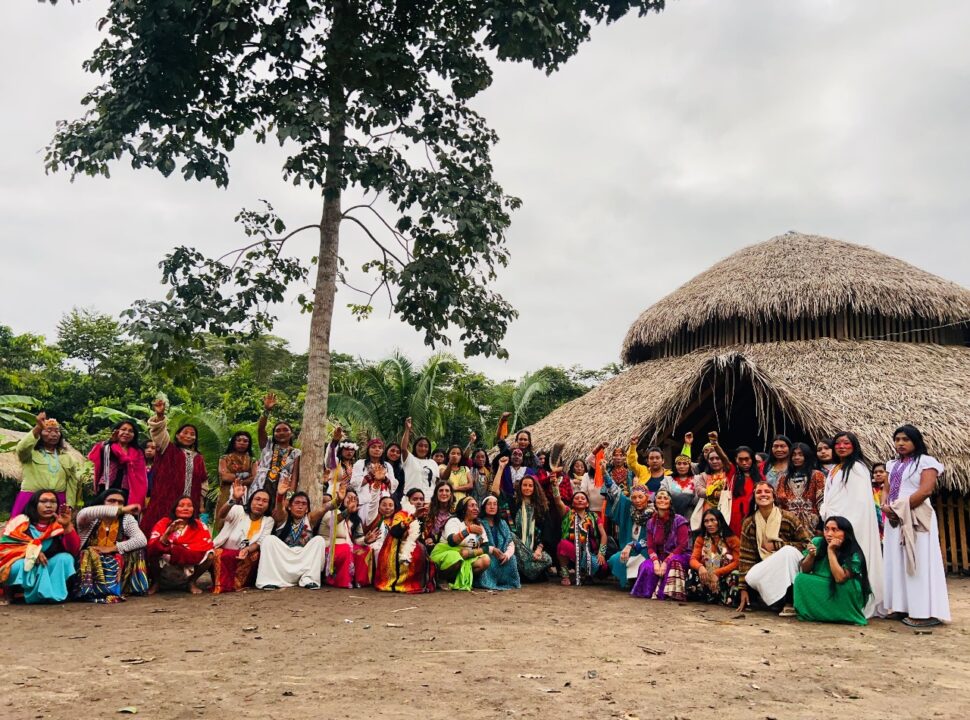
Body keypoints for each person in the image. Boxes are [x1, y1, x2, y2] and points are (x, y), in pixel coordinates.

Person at [881, 425, 950, 626]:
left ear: (916, 441)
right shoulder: (892, 465)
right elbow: (886, 490)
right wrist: (885, 506)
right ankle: (901, 607)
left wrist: (898, 509)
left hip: (916, 516)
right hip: (894, 517)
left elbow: (925, 490)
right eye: (897, 440)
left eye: (906, 439)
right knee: (896, 561)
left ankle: (924, 613)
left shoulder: (926, 462)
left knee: (918, 561)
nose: (901, 443)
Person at [821, 431, 884, 618]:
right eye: (838, 443)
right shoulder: (836, 468)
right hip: (834, 521)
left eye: (846, 443)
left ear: (854, 446)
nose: (841, 446)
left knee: (851, 563)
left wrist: (842, 524)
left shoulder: (857, 468)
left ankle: (858, 599)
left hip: (850, 524)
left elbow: (858, 502)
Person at [737, 482, 813, 616]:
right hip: (767, 565)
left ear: (773, 496)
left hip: (794, 563)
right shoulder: (749, 523)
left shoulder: (788, 518)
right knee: (751, 577)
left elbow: (806, 544)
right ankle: (775, 600)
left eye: (767, 491)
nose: (763, 494)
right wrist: (743, 588)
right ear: (754, 497)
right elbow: (745, 557)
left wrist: (777, 546)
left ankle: (790, 602)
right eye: (759, 492)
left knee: (788, 552)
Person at [257, 475, 343, 590]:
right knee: (268, 540)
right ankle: (270, 580)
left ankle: (309, 579)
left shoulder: (310, 518)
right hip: (283, 559)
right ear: (290, 507)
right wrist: (280, 496)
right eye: (297, 503)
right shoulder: (283, 517)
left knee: (319, 540)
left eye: (303, 504)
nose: (300, 506)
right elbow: (279, 509)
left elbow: (325, 508)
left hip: (304, 560)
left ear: (307, 508)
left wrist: (338, 500)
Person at [141, 398, 208, 535]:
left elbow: (203, 483)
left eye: (192, 434)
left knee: (186, 534)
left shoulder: (199, 458)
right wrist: (160, 415)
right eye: (185, 433)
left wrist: (201, 505)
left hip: (191, 502)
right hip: (166, 499)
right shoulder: (168, 449)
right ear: (177, 436)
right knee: (159, 529)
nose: (189, 436)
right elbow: (159, 434)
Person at [0, 490, 79, 604]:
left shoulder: (59, 524)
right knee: (18, 565)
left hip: (48, 565)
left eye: (53, 502)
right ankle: (15, 593)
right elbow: (5, 548)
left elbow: (74, 550)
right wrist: (33, 552)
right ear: (34, 504)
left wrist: (66, 526)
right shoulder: (19, 522)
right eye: (43, 501)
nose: (49, 505)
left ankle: (50, 593)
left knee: (65, 558)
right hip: (26, 564)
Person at [74, 488, 148, 603]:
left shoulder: (126, 518)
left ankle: (131, 589)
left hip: (116, 558)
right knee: (87, 553)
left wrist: (112, 548)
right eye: (111, 501)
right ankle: (89, 591)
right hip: (92, 560)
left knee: (138, 550)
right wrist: (122, 509)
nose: (116, 505)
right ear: (102, 502)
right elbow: (84, 512)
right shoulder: (90, 518)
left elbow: (141, 540)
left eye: (120, 502)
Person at [793, 516, 872, 626]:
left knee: (848, 585)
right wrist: (811, 556)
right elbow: (805, 570)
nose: (829, 534)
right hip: (822, 582)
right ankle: (817, 613)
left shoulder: (854, 552)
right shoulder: (817, 542)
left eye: (835, 530)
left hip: (843, 587)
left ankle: (842, 615)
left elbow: (840, 578)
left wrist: (831, 550)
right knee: (801, 579)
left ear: (845, 533)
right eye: (826, 529)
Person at [11, 413, 82, 518]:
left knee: (56, 528)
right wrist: (38, 427)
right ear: (40, 434)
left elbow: (72, 482)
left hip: (58, 500)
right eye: (48, 431)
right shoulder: (29, 454)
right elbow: (21, 448)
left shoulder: (67, 457)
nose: (54, 434)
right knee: (23, 527)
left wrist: (70, 504)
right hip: (31, 499)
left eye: (57, 431)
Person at [212, 483, 276, 593]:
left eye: (265, 501)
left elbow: (259, 542)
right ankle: (221, 584)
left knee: (256, 555)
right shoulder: (238, 510)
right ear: (250, 501)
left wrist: (247, 549)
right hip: (225, 550)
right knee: (218, 554)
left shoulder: (268, 520)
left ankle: (238, 584)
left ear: (269, 505)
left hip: (245, 553)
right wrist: (233, 499)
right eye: (257, 499)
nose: (260, 503)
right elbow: (221, 515)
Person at [630, 489, 691, 601]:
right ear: (655, 501)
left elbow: (682, 546)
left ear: (670, 502)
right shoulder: (651, 522)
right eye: (659, 497)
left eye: (665, 498)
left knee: (673, 563)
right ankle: (650, 592)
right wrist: (656, 562)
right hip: (660, 557)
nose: (662, 500)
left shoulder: (679, 520)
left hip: (679, 556)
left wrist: (666, 562)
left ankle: (670, 593)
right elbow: (651, 547)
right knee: (647, 566)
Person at [146, 496, 214, 595]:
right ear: (175, 509)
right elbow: (153, 546)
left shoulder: (200, 525)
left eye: (189, 506)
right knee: (154, 551)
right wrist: (167, 534)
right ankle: (156, 583)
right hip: (166, 564)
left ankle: (191, 582)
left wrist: (178, 550)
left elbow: (205, 546)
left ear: (193, 510)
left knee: (210, 555)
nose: (186, 508)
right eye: (181, 506)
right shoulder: (163, 523)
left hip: (189, 562)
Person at [374, 488, 436, 593]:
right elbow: (395, 532)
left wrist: (430, 538)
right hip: (396, 549)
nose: (419, 502)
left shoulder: (425, 516)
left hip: (416, 547)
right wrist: (413, 516)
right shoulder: (401, 514)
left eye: (421, 499)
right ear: (408, 501)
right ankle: (399, 583)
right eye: (415, 499)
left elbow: (426, 535)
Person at [550, 477, 607, 587]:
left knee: (603, 567)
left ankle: (586, 574)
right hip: (572, 551)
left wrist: (601, 553)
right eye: (577, 498)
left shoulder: (594, 516)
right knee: (563, 544)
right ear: (572, 503)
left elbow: (603, 535)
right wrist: (555, 486)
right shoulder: (567, 513)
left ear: (587, 504)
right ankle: (565, 576)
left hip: (590, 552)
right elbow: (558, 501)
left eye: (583, 498)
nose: (580, 500)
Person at [430, 496, 491, 591]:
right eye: (472, 506)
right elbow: (452, 542)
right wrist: (468, 530)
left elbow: (485, 547)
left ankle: (459, 579)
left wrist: (470, 553)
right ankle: (441, 578)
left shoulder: (478, 525)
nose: (476, 508)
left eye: (476, 506)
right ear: (464, 509)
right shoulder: (454, 521)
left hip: (466, 556)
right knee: (456, 557)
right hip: (446, 553)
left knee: (485, 560)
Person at [602, 477, 652, 589]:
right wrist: (606, 475)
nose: (637, 500)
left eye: (640, 497)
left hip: (646, 550)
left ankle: (638, 580)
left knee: (641, 562)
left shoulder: (654, 514)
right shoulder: (629, 510)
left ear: (647, 497)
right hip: (629, 549)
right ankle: (629, 581)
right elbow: (617, 495)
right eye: (634, 497)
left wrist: (633, 545)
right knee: (615, 559)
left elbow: (654, 538)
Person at [249, 393, 301, 501]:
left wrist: (289, 499)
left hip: (281, 490)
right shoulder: (267, 444)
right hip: (260, 486)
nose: (281, 433)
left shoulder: (296, 453)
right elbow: (261, 429)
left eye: (285, 430)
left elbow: (294, 478)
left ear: (291, 433)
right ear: (274, 434)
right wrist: (266, 411)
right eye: (278, 430)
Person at [88, 420, 149, 509]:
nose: (126, 433)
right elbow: (98, 453)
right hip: (107, 484)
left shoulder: (138, 452)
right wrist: (110, 441)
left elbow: (141, 475)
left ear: (134, 435)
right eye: (123, 429)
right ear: (116, 431)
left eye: (130, 431)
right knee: (102, 510)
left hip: (128, 487)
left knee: (123, 512)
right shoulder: (108, 446)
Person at [319, 489, 373, 588]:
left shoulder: (356, 520)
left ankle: (358, 581)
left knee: (365, 549)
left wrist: (365, 540)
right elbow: (332, 522)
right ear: (342, 499)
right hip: (330, 546)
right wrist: (347, 511)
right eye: (349, 497)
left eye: (355, 499)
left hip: (347, 545)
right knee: (345, 549)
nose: (352, 500)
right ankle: (341, 581)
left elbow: (357, 539)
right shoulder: (331, 512)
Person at [686, 508, 741, 606]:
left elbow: (737, 562)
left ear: (720, 521)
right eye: (706, 521)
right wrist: (700, 567)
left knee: (736, 574)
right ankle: (700, 596)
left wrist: (717, 573)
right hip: (706, 576)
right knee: (692, 570)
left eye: (713, 520)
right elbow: (693, 559)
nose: (709, 524)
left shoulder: (731, 539)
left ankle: (727, 599)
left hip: (723, 577)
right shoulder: (701, 539)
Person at [507, 475, 554, 582]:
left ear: (534, 488)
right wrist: (501, 468)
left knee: (548, 559)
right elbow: (495, 492)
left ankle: (525, 571)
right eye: (524, 485)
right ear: (520, 487)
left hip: (535, 549)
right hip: (518, 548)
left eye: (530, 486)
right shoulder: (514, 503)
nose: (527, 488)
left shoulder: (542, 507)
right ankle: (529, 572)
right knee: (511, 535)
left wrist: (539, 549)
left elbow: (547, 530)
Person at [775, 442, 825, 536]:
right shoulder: (783, 478)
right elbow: (778, 504)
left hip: (813, 527)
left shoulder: (817, 475)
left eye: (800, 454)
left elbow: (822, 503)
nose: (796, 457)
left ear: (807, 456)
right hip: (789, 526)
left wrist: (821, 526)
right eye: (793, 455)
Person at [476, 495, 520, 590]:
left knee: (512, 558)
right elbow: (480, 544)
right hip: (488, 554)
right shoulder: (479, 523)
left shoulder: (502, 523)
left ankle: (508, 581)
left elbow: (510, 542)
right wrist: (492, 550)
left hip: (501, 556)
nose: (492, 507)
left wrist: (506, 555)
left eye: (495, 504)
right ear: (484, 507)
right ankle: (488, 582)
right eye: (489, 504)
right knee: (488, 559)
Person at [216, 431, 255, 534]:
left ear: (249, 443)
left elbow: (255, 477)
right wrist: (245, 475)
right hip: (226, 492)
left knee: (243, 520)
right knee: (223, 517)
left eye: (245, 441)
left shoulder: (253, 460)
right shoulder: (224, 458)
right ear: (234, 442)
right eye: (239, 440)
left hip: (246, 494)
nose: (242, 443)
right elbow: (225, 477)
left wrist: (234, 477)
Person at [400, 417, 440, 498]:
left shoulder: (433, 463)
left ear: (429, 449)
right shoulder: (410, 459)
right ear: (415, 447)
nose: (423, 448)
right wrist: (407, 429)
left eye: (426, 446)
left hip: (430, 499)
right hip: (412, 498)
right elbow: (403, 449)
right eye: (420, 445)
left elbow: (437, 482)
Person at [661, 451, 702, 519]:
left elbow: (699, 498)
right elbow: (662, 495)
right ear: (675, 466)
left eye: (685, 464)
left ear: (689, 466)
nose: (681, 466)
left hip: (691, 516)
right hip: (671, 515)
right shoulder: (667, 480)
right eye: (679, 463)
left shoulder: (697, 479)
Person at [423, 481, 455, 554]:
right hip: (429, 546)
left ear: (451, 494)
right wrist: (428, 539)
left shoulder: (455, 513)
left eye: (447, 491)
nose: (444, 493)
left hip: (448, 545)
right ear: (436, 494)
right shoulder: (427, 510)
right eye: (441, 490)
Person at [326, 425, 358, 490]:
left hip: (351, 494)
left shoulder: (356, 465)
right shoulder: (335, 462)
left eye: (352, 450)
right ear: (341, 450)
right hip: (334, 492)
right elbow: (330, 456)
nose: (349, 452)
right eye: (346, 449)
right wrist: (334, 441)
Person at [871, 462, 887, 539]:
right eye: (875, 472)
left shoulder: (892, 489)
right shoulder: (869, 490)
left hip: (888, 522)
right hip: (874, 524)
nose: (878, 474)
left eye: (881, 472)